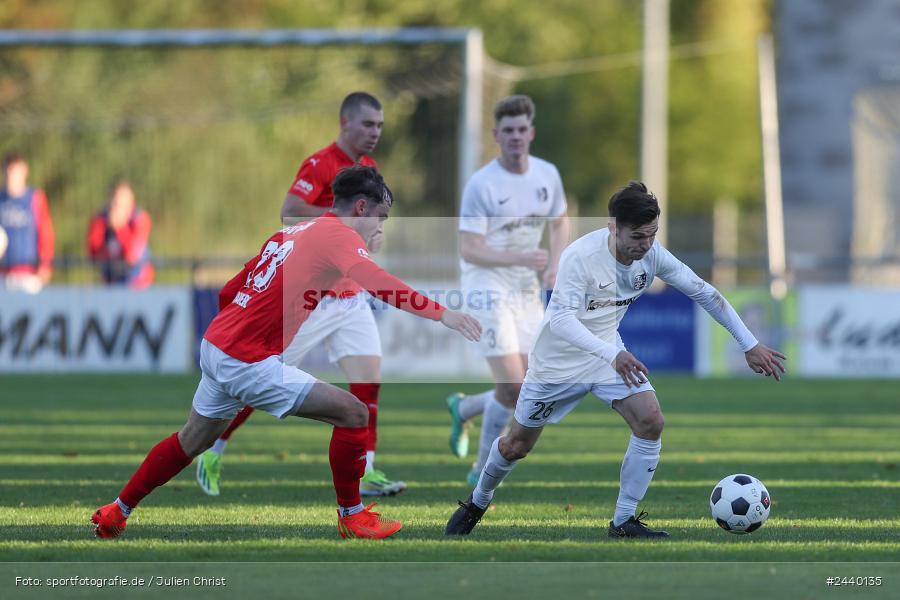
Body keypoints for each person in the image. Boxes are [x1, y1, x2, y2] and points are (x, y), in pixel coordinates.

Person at [91, 166, 481, 541]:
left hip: (217, 345)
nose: (381, 227)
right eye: (382, 216)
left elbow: (231, 288)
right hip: (246, 358)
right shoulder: (339, 237)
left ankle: (117, 511)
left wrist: (243, 325)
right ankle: (352, 516)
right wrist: (443, 313)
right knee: (353, 413)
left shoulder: (293, 231)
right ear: (361, 208)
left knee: (191, 440)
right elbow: (380, 284)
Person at [445, 181, 786, 538]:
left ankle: (623, 522)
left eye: (652, 234)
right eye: (638, 236)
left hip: (606, 355)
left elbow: (704, 291)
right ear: (613, 227)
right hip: (556, 363)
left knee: (651, 420)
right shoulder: (580, 257)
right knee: (517, 446)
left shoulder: (652, 255)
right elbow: (560, 320)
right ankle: (478, 501)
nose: (646, 245)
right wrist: (615, 353)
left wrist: (749, 343)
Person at [195, 92, 405, 498]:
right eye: (367, 124)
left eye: (379, 125)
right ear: (345, 123)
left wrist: (370, 232)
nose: (374, 132)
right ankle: (214, 448)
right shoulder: (320, 163)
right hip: (315, 298)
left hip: (350, 296)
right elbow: (290, 211)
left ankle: (368, 469)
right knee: (258, 378)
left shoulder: (371, 169)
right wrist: (342, 225)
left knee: (368, 380)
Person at [449, 95, 570, 485]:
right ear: (496, 135)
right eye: (508, 131)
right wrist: (523, 260)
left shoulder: (547, 174)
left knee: (529, 387)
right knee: (515, 388)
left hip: (525, 289)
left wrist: (555, 262)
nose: (516, 137)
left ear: (531, 132)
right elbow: (469, 248)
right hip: (486, 286)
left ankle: (466, 407)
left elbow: (560, 220)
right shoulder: (481, 184)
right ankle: (482, 470)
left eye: (522, 129)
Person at [0, 153, 54, 293]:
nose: (11, 176)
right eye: (8, 170)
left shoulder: (35, 198)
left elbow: (45, 233)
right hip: (3, 273)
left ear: (25, 172)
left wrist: (45, 265)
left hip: (28, 274)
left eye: (16, 171)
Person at [87, 180, 154, 289]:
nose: (118, 207)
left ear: (131, 202)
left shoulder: (140, 220)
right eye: (115, 201)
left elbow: (131, 256)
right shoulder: (100, 220)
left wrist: (120, 228)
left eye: (123, 202)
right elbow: (94, 256)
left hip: (137, 285)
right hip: (110, 283)